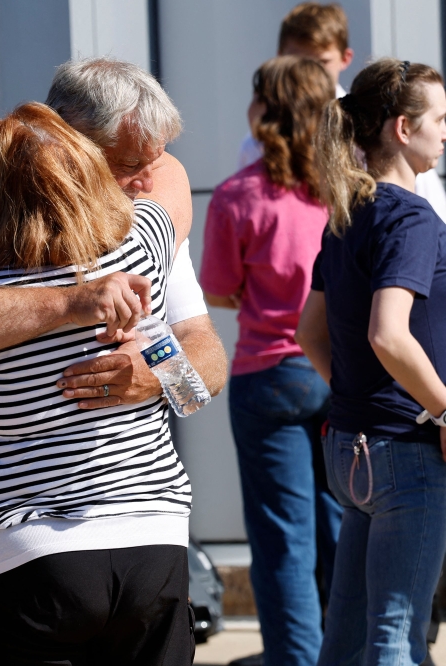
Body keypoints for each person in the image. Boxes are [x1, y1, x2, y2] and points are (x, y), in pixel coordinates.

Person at [0, 58, 227, 666]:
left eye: (151, 161)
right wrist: (70, 305)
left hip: (102, 526)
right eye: (127, 164)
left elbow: (203, 368)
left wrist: (154, 374)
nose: (147, 180)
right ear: (68, 142)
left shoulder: (135, 216)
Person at [296, 58, 446, 663]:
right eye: (442, 118)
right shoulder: (412, 217)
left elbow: (310, 334)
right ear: (403, 128)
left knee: (349, 633)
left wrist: (361, 397)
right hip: (403, 453)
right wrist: (442, 411)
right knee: (396, 636)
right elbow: (389, 334)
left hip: (351, 448)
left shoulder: (347, 215)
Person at [201, 56, 337, 666]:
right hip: (340, 372)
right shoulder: (345, 193)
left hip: (270, 375)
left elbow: (218, 289)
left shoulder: (237, 196)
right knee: (346, 531)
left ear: (266, 111)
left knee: (286, 543)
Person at [238, 2, 446, 220]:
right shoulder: (258, 139)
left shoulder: (372, 118)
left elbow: (432, 209)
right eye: (298, 61)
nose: (309, 73)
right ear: (279, 57)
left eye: (321, 62)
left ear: (345, 58)